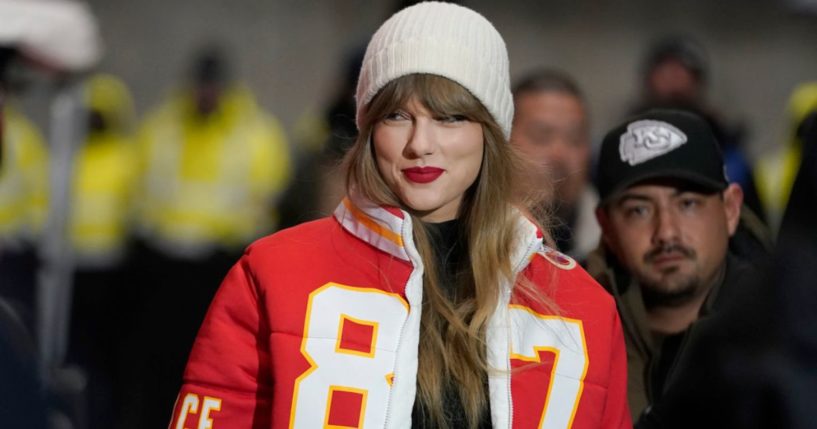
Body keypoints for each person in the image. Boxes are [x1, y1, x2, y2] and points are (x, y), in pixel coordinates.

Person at [169, 2, 630, 428]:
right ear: (368, 131)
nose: (420, 144)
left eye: (450, 117)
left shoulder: (581, 306)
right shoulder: (271, 273)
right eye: (396, 116)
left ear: (490, 133)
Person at [123, 45, 294, 428]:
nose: (205, 94)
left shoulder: (256, 134)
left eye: (212, 86)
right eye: (200, 86)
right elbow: (138, 188)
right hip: (162, 264)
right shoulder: (162, 126)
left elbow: (270, 198)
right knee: (158, 365)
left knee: (214, 363)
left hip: (221, 265)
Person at [586, 109, 762, 423]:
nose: (666, 232)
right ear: (607, 227)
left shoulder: (785, 336)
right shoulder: (568, 332)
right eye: (638, 210)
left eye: (688, 204)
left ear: (731, 210)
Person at [630, 35, 765, 222]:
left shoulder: (730, 157)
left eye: (683, 73)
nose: (674, 83)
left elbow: (755, 230)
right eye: (666, 73)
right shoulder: (622, 149)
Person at [510, 69, 600, 261]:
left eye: (574, 139)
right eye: (541, 137)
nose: (559, 154)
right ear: (503, 144)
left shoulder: (611, 247)